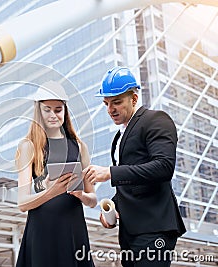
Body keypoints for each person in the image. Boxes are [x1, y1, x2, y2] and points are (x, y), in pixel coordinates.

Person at [84, 66, 186, 266]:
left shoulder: (155, 120)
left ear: (134, 98)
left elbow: (164, 167)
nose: (110, 109)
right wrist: (113, 208)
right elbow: (132, 181)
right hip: (130, 233)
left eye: (117, 102)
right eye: (106, 103)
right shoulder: (118, 138)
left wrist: (110, 173)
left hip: (154, 228)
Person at [15, 81, 96, 267]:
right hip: (43, 231)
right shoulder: (28, 146)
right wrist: (51, 191)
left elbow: (93, 200)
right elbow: (22, 203)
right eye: (47, 110)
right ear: (39, 111)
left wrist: (81, 194)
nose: (53, 115)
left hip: (73, 230)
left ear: (65, 111)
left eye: (58, 110)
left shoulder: (80, 146)